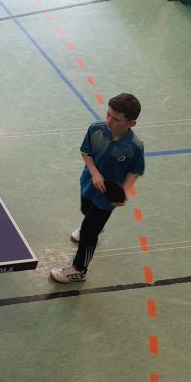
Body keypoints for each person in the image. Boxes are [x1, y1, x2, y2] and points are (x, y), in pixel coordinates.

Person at [49, 94, 145, 284]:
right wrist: (94, 173)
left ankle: (79, 270)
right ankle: (95, 227)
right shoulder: (96, 129)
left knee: (88, 234)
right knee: (85, 210)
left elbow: (135, 170)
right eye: (108, 114)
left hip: (107, 198)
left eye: (116, 119)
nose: (109, 121)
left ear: (131, 123)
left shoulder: (134, 146)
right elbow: (86, 151)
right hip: (88, 184)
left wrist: (125, 191)